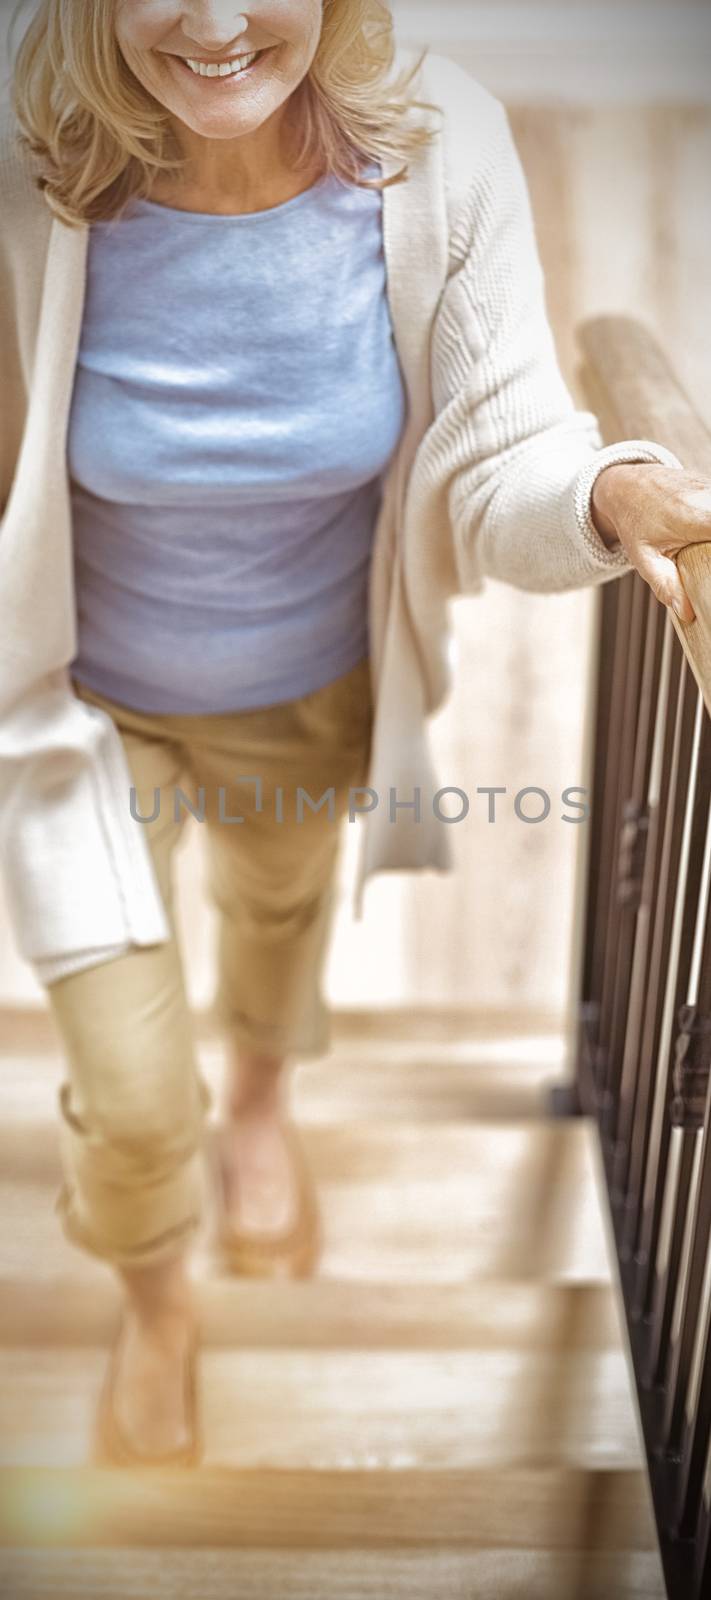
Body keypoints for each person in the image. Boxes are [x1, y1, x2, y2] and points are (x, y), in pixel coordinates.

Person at [1, 0, 707, 1468]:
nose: (210, 22)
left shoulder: (436, 150)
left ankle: (261, 1107)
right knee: (130, 1099)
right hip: (84, 708)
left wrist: (620, 493)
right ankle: (157, 1304)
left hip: (313, 681)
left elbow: (510, 443)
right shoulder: (32, 154)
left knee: (277, 918)